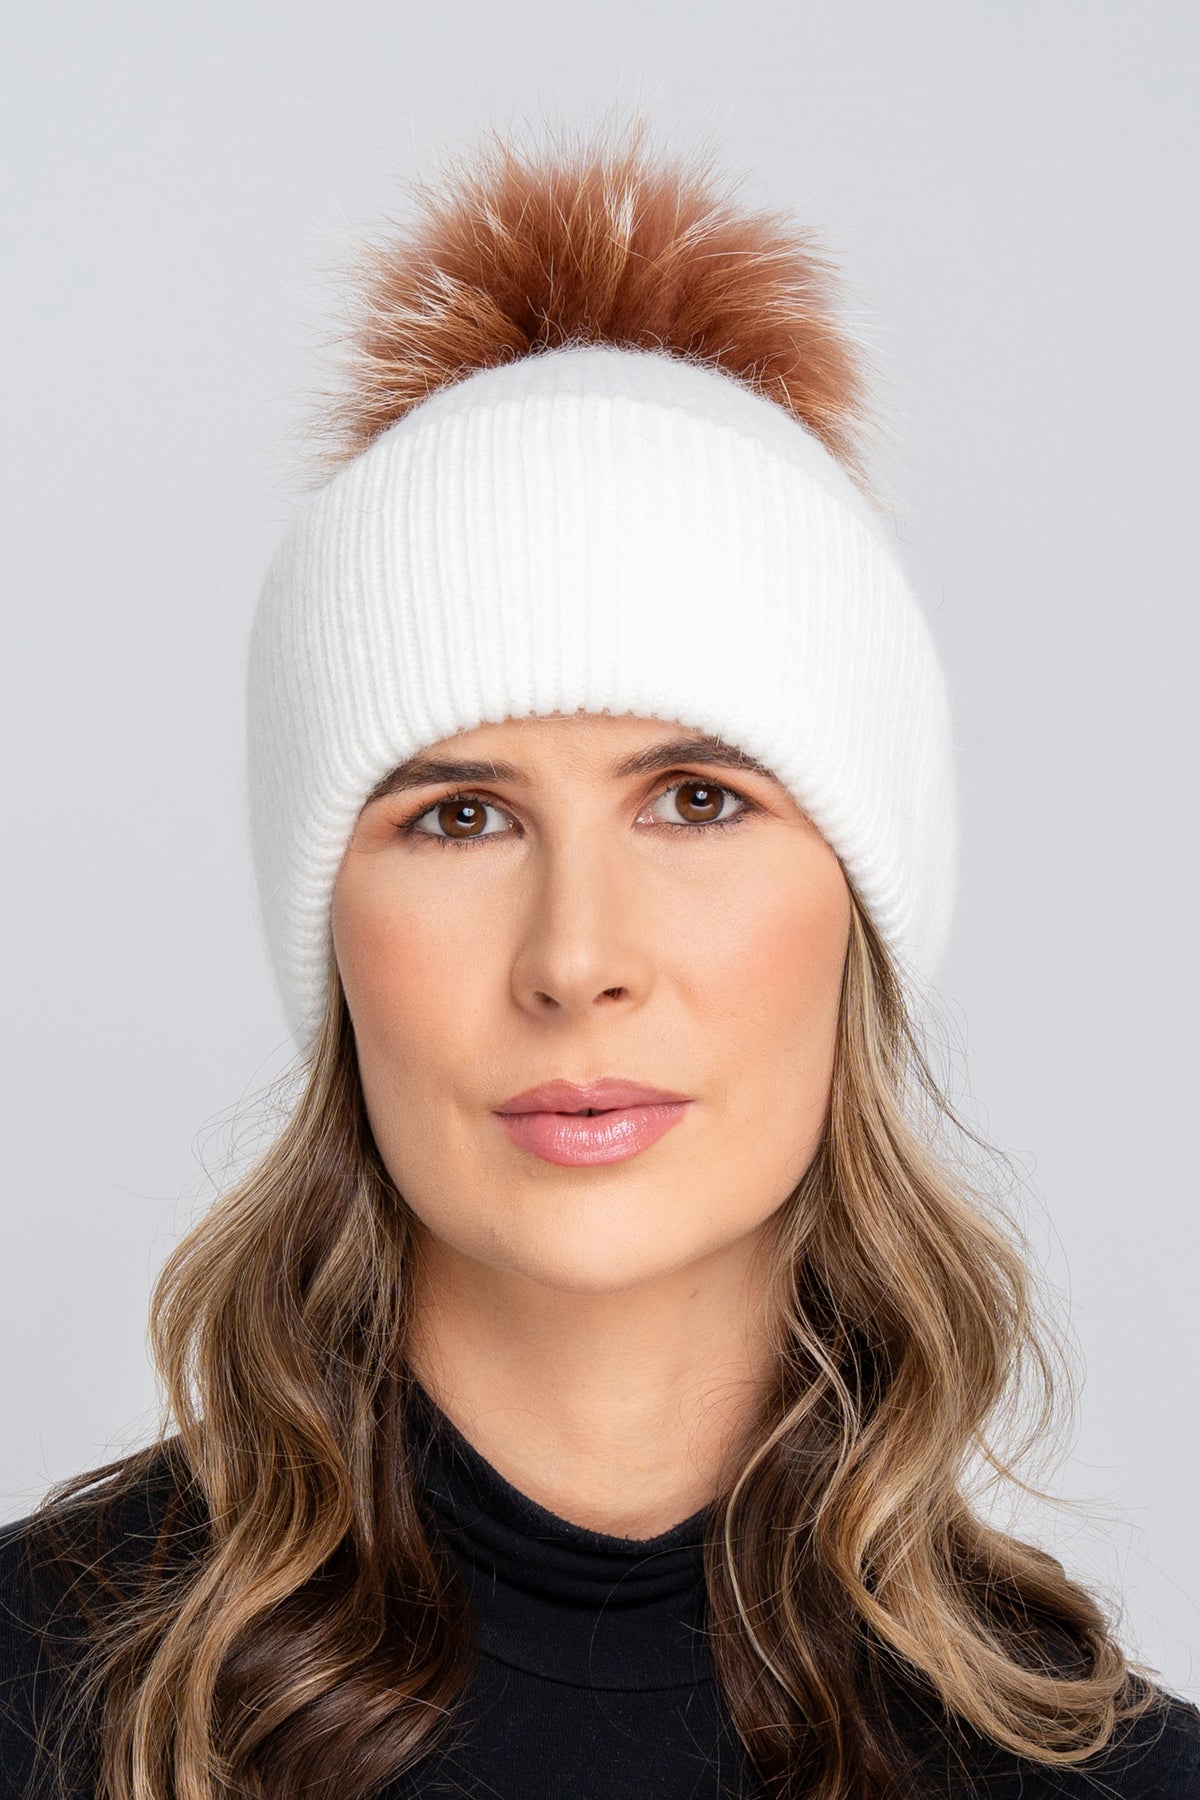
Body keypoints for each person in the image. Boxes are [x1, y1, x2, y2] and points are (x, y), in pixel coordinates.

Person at [1, 118, 1197, 1800]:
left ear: (861, 908)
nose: (575, 960)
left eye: (698, 801)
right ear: (329, 928)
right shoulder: (42, 1704)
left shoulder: (1102, 1772)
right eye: (459, 817)